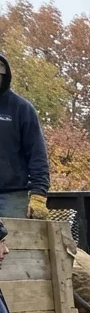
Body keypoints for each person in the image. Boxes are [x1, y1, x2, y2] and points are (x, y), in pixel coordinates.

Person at [0, 54, 51, 220]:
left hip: (12, 196)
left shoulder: (21, 109)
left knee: (15, 244)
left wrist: (38, 194)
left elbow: (37, 153)